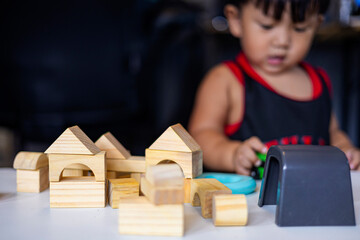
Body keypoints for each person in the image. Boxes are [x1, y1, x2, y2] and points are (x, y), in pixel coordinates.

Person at [188, 0, 360, 175]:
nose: (282, 41)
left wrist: (345, 150)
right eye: (267, 26)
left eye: (300, 28)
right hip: (250, 201)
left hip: (312, 195)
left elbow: (333, 133)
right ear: (236, 20)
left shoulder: (319, 80)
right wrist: (232, 154)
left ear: (317, 25)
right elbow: (201, 137)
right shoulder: (225, 80)